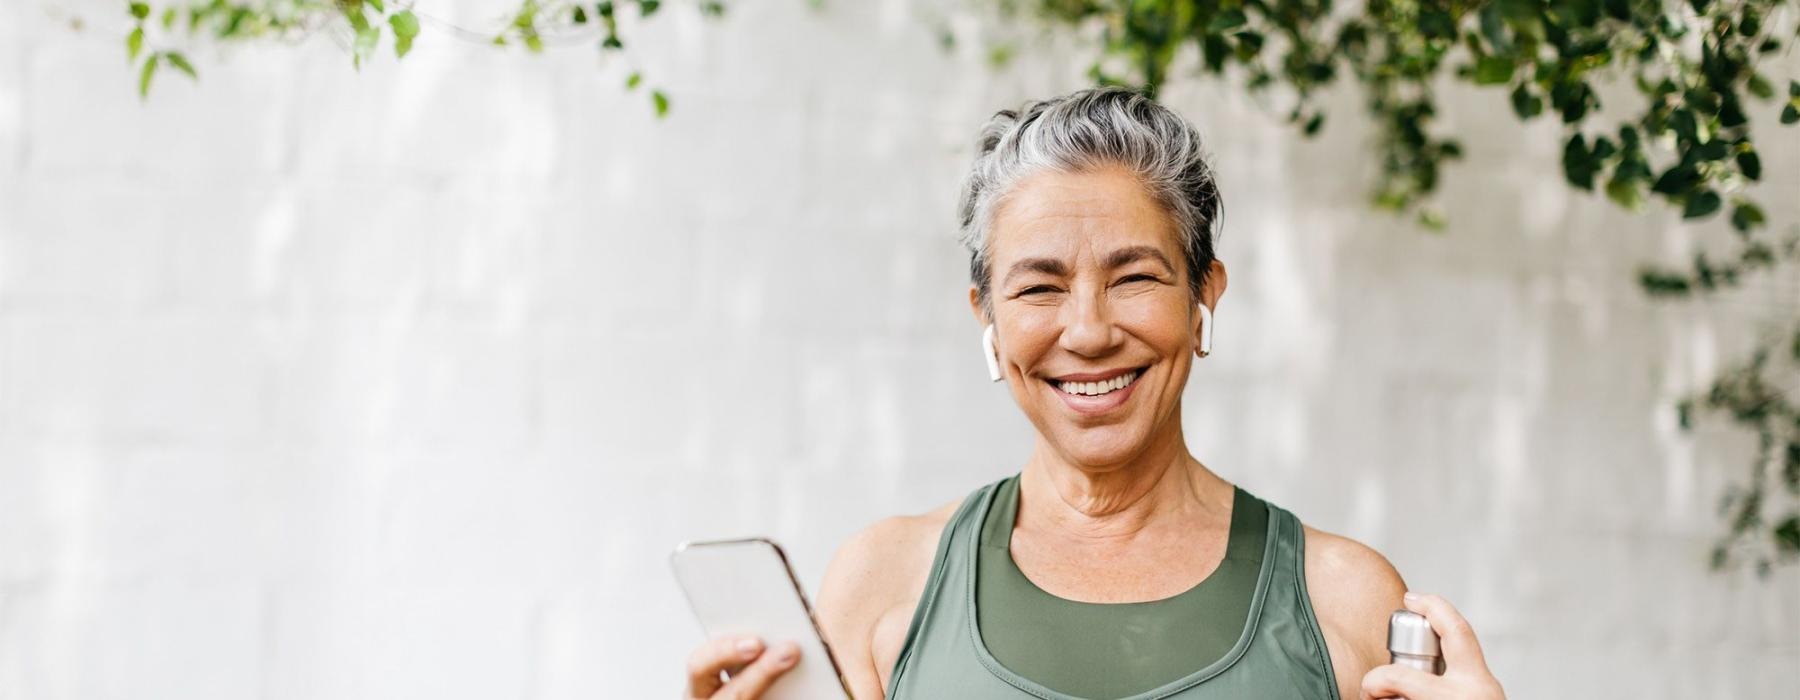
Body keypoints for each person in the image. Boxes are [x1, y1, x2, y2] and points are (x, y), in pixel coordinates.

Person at [683, 87, 1507, 700]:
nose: (1087, 331)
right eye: (1039, 288)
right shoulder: (884, 582)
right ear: (989, 319)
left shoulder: (1345, 596)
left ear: (1202, 296)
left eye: (1135, 277)